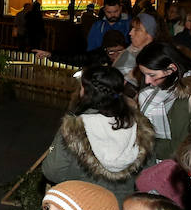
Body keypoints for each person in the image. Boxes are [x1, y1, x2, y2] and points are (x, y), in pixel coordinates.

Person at [42, 66, 154, 198]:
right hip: (122, 206)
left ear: (86, 92)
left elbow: (53, 171)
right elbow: (149, 173)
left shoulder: (74, 127)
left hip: (81, 203)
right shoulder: (141, 128)